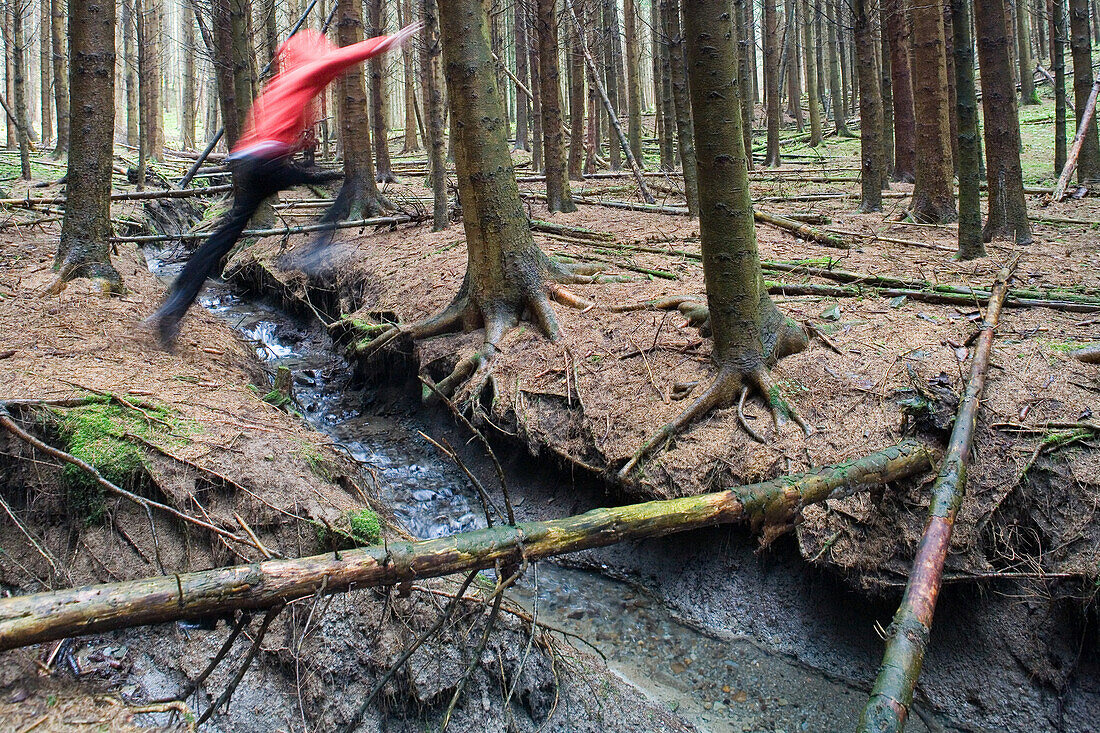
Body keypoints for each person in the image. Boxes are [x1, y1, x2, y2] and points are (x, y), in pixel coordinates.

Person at [150, 22, 422, 346]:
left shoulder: (283, 79)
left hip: (251, 161)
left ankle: (175, 303)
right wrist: (387, 41)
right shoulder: (310, 71)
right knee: (345, 182)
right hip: (267, 162)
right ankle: (315, 251)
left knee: (223, 237)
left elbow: (277, 121)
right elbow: (342, 58)